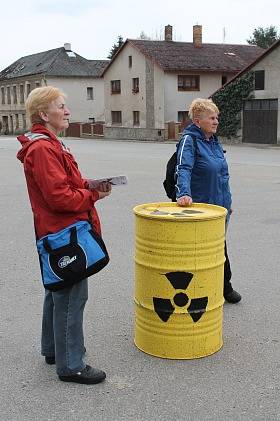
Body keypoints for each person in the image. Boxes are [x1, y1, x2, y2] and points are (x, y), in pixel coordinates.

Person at [17, 86, 112, 384]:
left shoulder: (49, 144)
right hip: (63, 233)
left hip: (57, 232)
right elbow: (59, 197)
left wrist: (89, 184)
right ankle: (71, 364)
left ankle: (53, 349)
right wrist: (92, 195)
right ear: (45, 114)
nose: (68, 111)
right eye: (61, 106)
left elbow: (67, 182)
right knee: (72, 293)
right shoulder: (44, 148)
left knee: (57, 290)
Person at [175, 98, 241, 304]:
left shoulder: (214, 141)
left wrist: (227, 202)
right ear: (197, 121)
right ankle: (202, 290)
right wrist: (183, 194)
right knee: (199, 251)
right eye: (211, 118)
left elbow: (222, 175)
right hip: (201, 208)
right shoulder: (190, 140)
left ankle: (222, 286)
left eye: (217, 118)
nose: (216, 122)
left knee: (218, 246)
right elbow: (183, 168)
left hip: (220, 206)